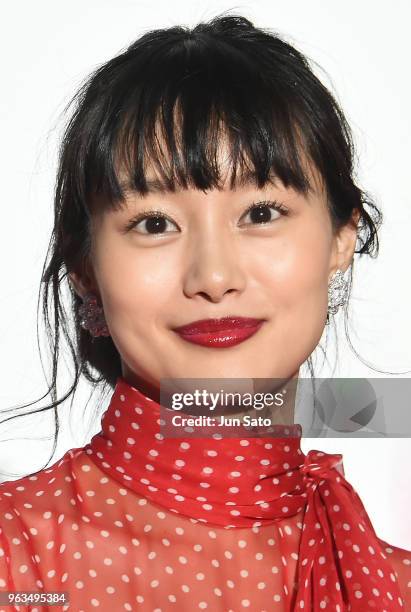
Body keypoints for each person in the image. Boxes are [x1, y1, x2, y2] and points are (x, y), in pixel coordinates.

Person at [0, 13, 410, 612]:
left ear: (342, 237)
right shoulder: (17, 560)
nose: (214, 278)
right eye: (154, 223)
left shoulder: (390, 583)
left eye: (261, 213)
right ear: (87, 268)